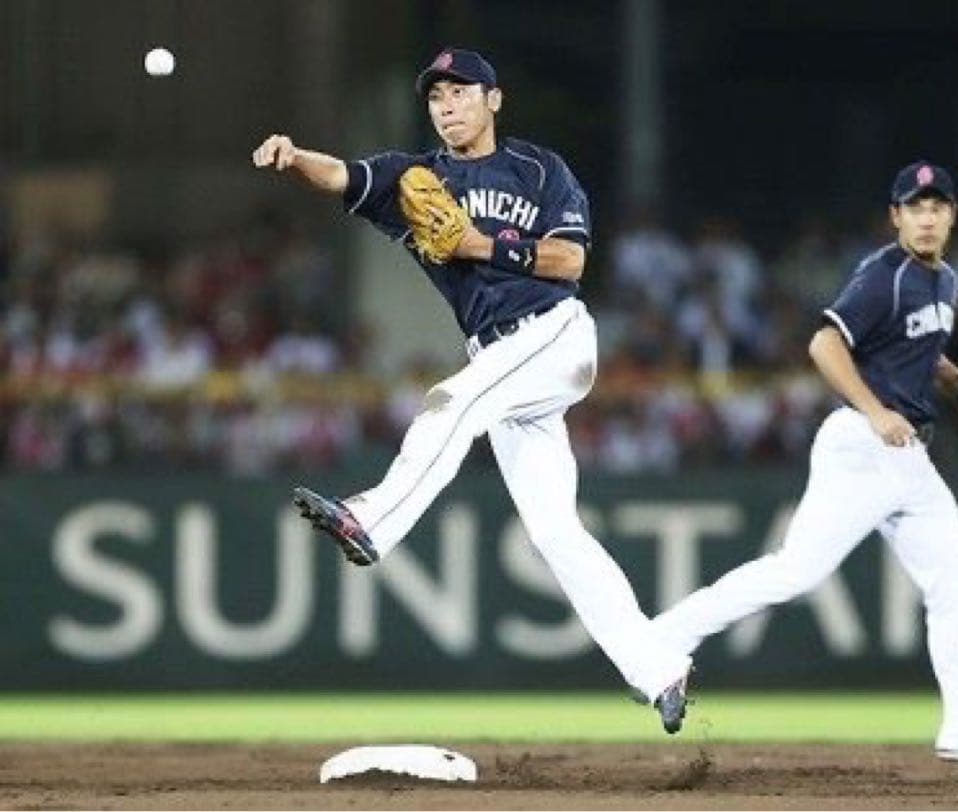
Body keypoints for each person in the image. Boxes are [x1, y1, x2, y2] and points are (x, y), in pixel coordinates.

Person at [252, 47, 691, 732]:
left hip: (553, 334)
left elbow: (571, 258)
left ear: (493, 99)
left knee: (451, 403)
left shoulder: (539, 169)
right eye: (436, 96)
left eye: (460, 91)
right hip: (503, 361)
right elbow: (341, 175)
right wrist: (293, 155)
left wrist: (478, 244)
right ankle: (659, 667)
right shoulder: (416, 179)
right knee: (556, 533)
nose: (447, 105)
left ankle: (372, 518)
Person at [650, 162, 958, 760]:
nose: (927, 218)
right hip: (863, 445)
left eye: (937, 207)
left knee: (956, 580)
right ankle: (659, 644)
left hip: (910, 457)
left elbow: (914, 348)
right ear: (895, 216)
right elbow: (824, 343)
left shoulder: (945, 281)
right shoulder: (885, 275)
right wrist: (875, 410)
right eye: (915, 207)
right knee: (795, 572)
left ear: (952, 216)